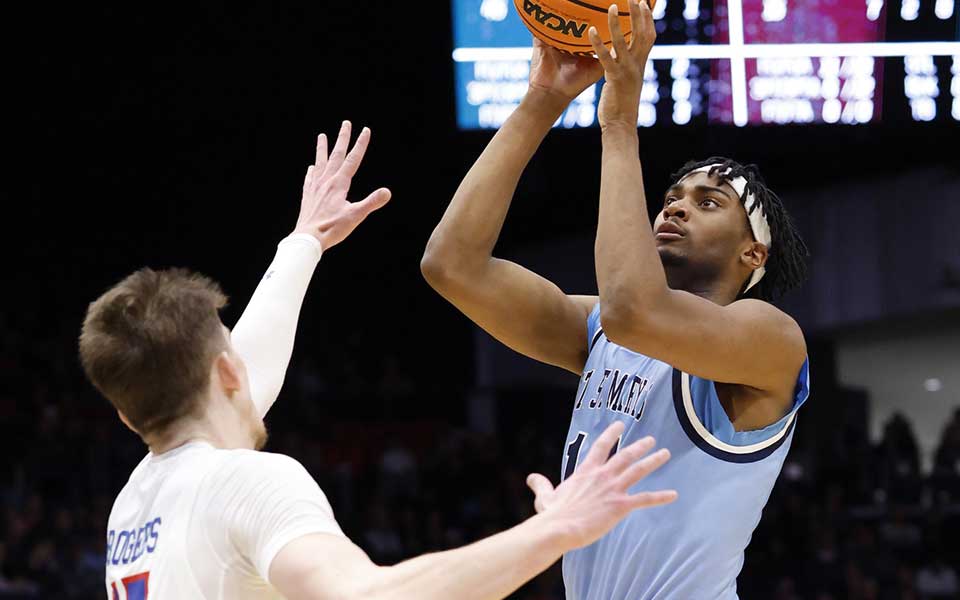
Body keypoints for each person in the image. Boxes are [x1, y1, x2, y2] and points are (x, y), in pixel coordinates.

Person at [81, 122, 675, 599]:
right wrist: (554, 530)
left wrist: (304, 241)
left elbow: (238, 379)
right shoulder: (249, 483)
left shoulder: (135, 503)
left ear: (128, 416)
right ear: (225, 371)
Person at [421, 2, 811, 597]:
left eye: (708, 203)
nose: (675, 206)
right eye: (673, 195)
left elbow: (634, 310)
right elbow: (452, 265)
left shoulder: (769, 337)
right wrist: (541, 103)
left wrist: (619, 123)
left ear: (752, 255)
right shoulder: (602, 325)